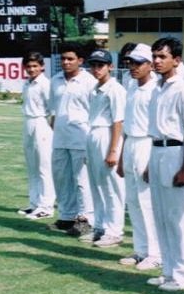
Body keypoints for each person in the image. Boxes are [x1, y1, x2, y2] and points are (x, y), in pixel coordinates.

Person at [145, 37, 184, 291]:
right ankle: (169, 270)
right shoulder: (157, 89)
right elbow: (157, 131)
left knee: (180, 217)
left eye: (162, 57)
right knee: (162, 216)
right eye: (155, 56)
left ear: (176, 60)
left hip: (176, 152)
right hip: (158, 152)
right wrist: (149, 163)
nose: (156, 61)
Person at [117, 43, 162, 269]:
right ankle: (141, 249)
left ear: (150, 65)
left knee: (147, 202)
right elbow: (127, 123)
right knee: (133, 201)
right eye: (130, 63)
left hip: (147, 144)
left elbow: (157, 127)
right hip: (131, 143)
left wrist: (152, 161)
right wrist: (121, 156)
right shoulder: (131, 86)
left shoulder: (156, 89)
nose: (132, 67)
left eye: (137, 63)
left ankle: (155, 253)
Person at [49, 42, 97, 238]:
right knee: (61, 178)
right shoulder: (55, 80)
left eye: (70, 59)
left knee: (82, 180)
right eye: (63, 59)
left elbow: (94, 112)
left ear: (80, 61)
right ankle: (66, 217)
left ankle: (86, 219)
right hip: (60, 137)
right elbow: (53, 110)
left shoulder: (89, 82)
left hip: (81, 138)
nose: (66, 62)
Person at [85, 49, 127, 247]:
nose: (96, 69)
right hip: (93, 134)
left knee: (111, 187)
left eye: (100, 65)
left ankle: (114, 231)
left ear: (110, 66)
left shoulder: (115, 89)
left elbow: (118, 121)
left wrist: (113, 150)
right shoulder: (95, 89)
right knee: (96, 185)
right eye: (93, 65)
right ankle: (100, 227)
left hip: (107, 135)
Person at [18, 51, 56, 219]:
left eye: (35, 66)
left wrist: (51, 130)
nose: (31, 69)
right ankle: (34, 203)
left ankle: (46, 207)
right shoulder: (27, 84)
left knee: (43, 167)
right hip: (28, 122)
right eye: (28, 66)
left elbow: (53, 110)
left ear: (42, 67)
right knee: (32, 166)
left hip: (41, 123)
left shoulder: (45, 84)